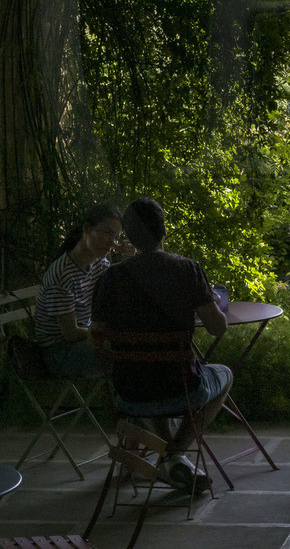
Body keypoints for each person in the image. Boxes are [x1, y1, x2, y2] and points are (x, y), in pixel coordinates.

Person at [91, 197, 232, 494]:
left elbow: (97, 336)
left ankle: (170, 460)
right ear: (163, 231)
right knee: (223, 374)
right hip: (181, 387)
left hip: (128, 391)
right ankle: (174, 453)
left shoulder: (110, 278)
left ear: (128, 236)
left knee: (147, 373)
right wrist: (209, 303)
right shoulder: (186, 270)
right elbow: (217, 328)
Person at [33, 203, 126, 378]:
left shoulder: (100, 264)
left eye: (116, 237)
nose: (112, 243)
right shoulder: (62, 274)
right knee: (124, 350)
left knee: (131, 345)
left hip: (86, 341)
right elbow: (70, 333)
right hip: (59, 353)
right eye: (107, 233)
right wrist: (108, 334)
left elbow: (114, 298)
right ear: (87, 228)